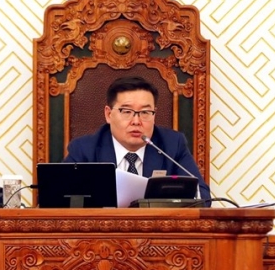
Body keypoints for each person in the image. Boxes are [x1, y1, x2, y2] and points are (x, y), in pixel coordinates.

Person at [64, 76, 210, 200]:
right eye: (127, 111)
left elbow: (202, 196)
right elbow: (61, 198)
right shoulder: (84, 150)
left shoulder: (172, 145)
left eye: (145, 112)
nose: (136, 121)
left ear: (154, 115)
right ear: (108, 114)